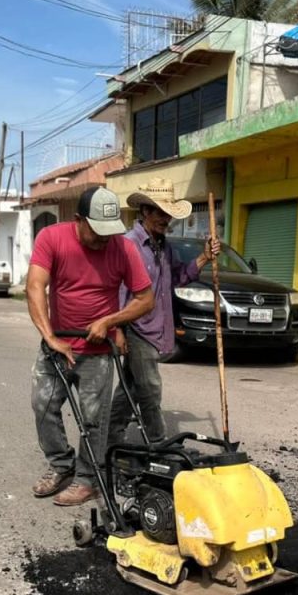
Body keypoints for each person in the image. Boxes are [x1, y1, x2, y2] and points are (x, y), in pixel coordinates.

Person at [27, 186, 154, 507]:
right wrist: (51, 337)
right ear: (78, 220)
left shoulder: (123, 249)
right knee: (43, 405)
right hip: (57, 346)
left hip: (98, 353)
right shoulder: (52, 238)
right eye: (97, 230)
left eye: (109, 232)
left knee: (94, 420)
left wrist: (110, 322)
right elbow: (35, 287)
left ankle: (87, 479)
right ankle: (61, 464)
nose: (103, 239)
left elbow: (145, 299)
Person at [107, 178, 220, 447]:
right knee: (150, 387)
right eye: (159, 212)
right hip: (136, 327)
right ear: (144, 211)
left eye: (168, 214)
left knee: (132, 387)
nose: (164, 219)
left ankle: (108, 439)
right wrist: (118, 331)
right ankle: (158, 444)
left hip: (154, 327)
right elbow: (119, 291)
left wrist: (204, 257)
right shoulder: (128, 244)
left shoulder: (163, 246)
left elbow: (177, 277)